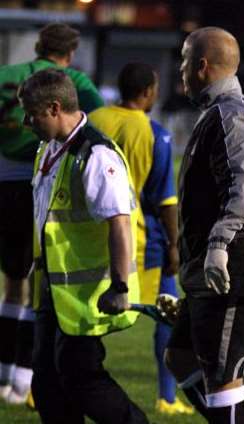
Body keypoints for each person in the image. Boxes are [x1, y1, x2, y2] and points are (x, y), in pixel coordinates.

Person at [164, 27, 244, 424]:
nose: (181, 70)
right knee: (180, 357)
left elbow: (243, 188)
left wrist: (218, 247)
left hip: (238, 270)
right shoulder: (225, 114)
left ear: (201, 66)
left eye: (185, 61)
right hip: (228, 270)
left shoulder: (230, 114)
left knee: (222, 379)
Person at [20, 69, 147, 423]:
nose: (27, 122)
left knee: (81, 380)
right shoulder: (50, 150)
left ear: (55, 108)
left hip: (90, 294)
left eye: (32, 113)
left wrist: (120, 286)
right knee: (46, 384)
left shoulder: (96, 155)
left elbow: (119, 223)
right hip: (55, 293)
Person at [0, 22, 103, 406]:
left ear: (39, 45)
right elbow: (94, 123)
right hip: (39, 181)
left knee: (12, 282)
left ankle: (3, 374)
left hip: (2, 181)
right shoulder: (71, 79)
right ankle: (23, 382)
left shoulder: (6, 75)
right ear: (70, 53)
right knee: (37, 284)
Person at [88, 63, 192, 416]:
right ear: (148, 91)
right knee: (169, 314)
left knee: (85, 314)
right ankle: (167, 397)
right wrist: (175, 244)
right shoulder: (153, 133)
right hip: (139, 237)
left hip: (88, 234)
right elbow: (164, 199)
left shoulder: (93, 120)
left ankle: (50, 386)